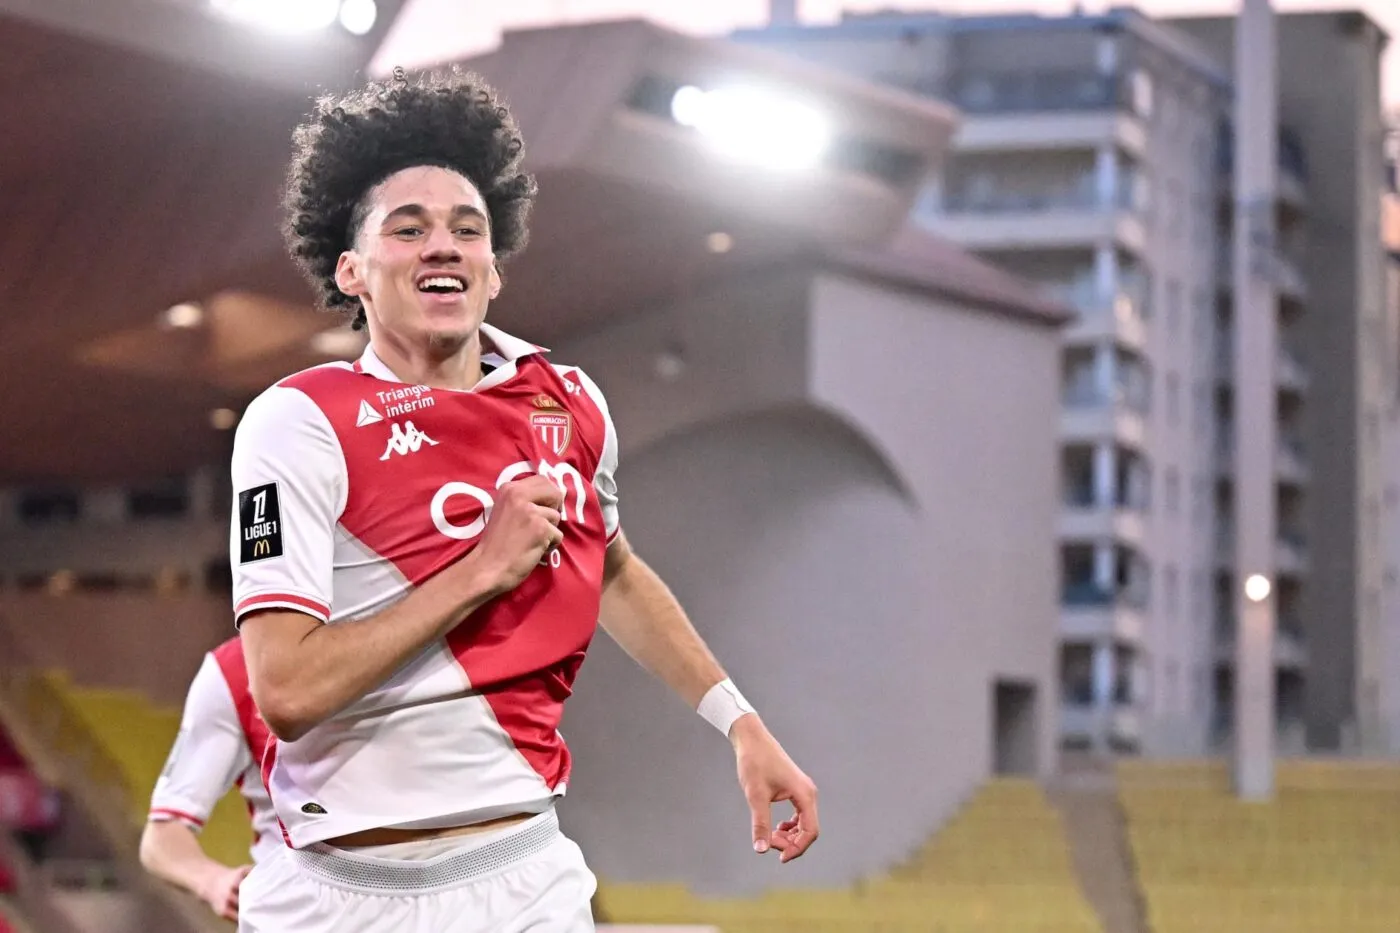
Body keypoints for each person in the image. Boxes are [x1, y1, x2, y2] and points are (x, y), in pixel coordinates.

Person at [229, 68, 818, 933]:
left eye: (468, 230)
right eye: (409, 228)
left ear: (493, 271)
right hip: (335, 890)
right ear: (351, 269)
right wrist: (481, 568)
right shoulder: (299, 420)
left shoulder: (568, 402)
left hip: (520, 877)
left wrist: (740, 722)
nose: (443, 246)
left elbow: (613, 568)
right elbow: (285, 688)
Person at [142, 637, 277, 921]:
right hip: (292, 911)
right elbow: (161, 837)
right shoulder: (233, 671)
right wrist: (213, 881)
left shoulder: (380, 645)